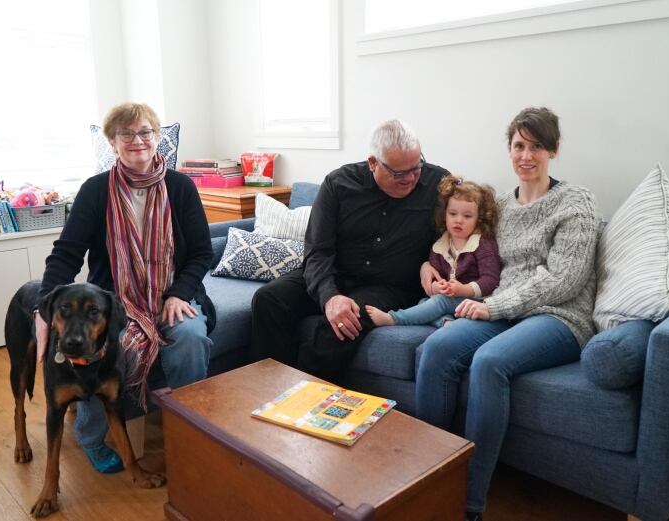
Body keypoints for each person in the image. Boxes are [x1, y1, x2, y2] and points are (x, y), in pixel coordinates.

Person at [414, 107, 600, 521]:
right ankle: (426, 483)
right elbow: (467, 252)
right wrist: (428, 267)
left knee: (489, 361)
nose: (526, 155)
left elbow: (563, 280)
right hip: (504, 310)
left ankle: (468, 506)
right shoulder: (499, 205)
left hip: (558, 317)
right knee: (438, 347)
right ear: (509, 149)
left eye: (536, 146)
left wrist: (491, 306)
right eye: (519, 145)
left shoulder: (576, 202)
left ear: (554, 149)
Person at [34, 102, 215, 474]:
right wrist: (43, 309)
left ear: (157, 137)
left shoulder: (180, 188)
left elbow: (201, 252)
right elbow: (66, 255)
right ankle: (91, 438)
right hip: (113, 303)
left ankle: (185, 431)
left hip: (171, 296)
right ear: (112, 143)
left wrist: (180, 292)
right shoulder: (95, 191)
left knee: (191, 335)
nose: (137, 140)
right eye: (126, 134)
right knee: (92, 346)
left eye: (145, 132)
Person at [250, 119, 451, 382]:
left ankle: (305, 403)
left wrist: (429, 262)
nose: (411, 178)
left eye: (416, 167)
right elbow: (318, 250)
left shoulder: (439, 185)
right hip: (336, 271)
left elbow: (459, 235)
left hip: (390, 285)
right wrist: (330, 296)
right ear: (373, 163)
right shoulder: (339, 184)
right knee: (269, 300)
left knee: (342, 325)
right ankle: (268, 389)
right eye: (399, 173)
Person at [365, 175, 500, 328]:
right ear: (444, 215)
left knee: (440, 302)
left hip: (477, 301)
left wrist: (464, 289)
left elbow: (491, 280)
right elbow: (436, 276)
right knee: (424, 302)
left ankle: (394, 319)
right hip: (451, 299)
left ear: (479, 219)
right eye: (453, 214)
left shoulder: (483, 243)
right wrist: (437, 287)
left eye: (467, 216)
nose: (458, 220)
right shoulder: (440, 245)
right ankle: (446, 323)